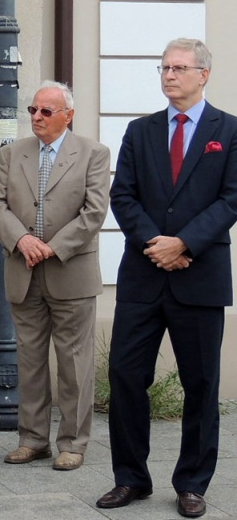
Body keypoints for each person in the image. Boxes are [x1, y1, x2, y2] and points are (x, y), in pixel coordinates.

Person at [97, 38, 237, 519]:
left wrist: (185, 243)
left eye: (179, 68)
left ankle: (192, 483)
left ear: (204, 74)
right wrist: (157, 244)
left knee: (200, 383)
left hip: (200, 276)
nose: (169, 75)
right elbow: (124, 196)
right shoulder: (140, 131)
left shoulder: (230, 131)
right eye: (164, 67)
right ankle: (130, 478)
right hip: (143, 273)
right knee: (126, 375)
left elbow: (231, 200)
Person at [0, 81, 110, 471]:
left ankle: (73, 443)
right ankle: (33, 440)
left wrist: (53, 246)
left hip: (70, 271)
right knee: (31, 361)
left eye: (46, 112)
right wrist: (22, 239)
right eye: (33, 111)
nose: (37, 118)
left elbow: (94, 212)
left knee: (74, 363)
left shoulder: (93, 153)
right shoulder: (12, 153)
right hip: (24, 270)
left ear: (68, 115)